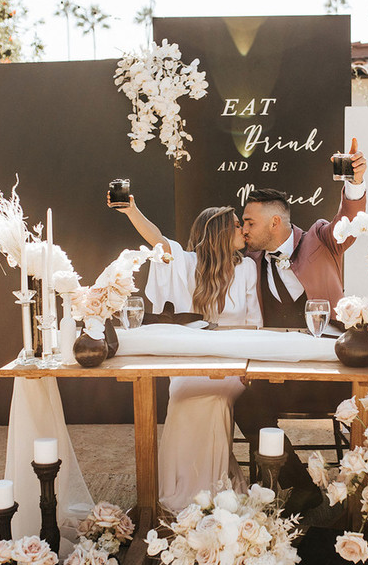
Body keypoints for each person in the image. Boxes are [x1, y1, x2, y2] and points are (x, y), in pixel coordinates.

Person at [235, 138, 367, 514]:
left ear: (275, 222)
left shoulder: (322, 238)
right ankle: (300, 486)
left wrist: (354, 185)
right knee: (244, 404)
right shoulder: (250, 259)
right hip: (279, 376)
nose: (244, 228)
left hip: (330, 373)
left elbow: (350, 223)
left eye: (250, 222)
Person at [108, 192, 262, 513]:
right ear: (220, 232)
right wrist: (132, 210)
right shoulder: (187, 264)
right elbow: (158, 241)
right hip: (190, 361)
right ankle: (183, 489)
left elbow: (254, 324)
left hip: (231, 364)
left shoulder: (246, 267)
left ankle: (214, 489)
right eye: (236, 225)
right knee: (182, 395)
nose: (243, 231)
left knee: (216, 397)